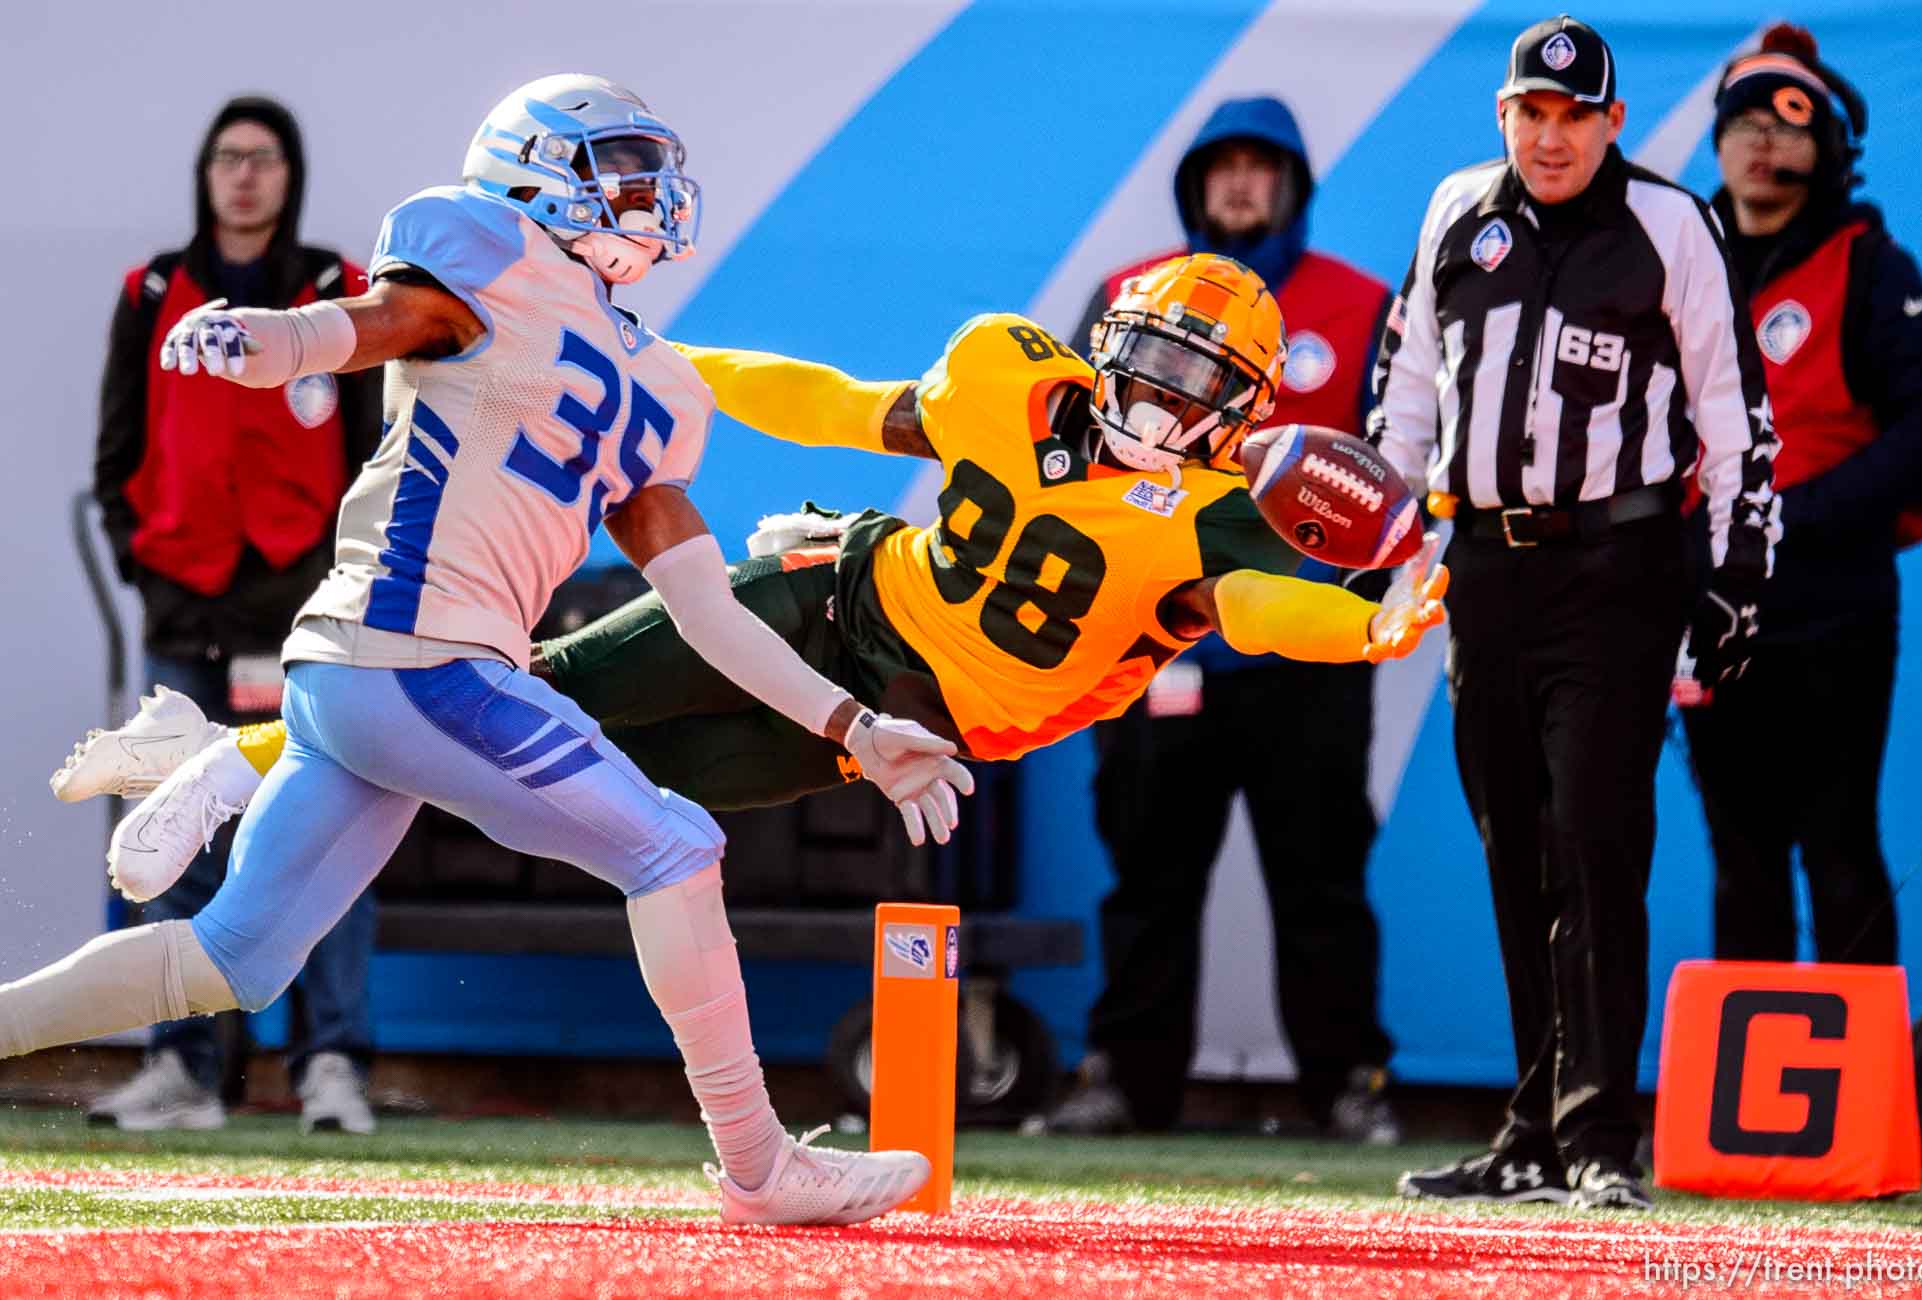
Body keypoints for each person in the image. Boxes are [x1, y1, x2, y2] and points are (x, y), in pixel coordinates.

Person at [14, 73, 976, 1228]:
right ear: (534, 168)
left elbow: (708, 611)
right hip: (422, 657)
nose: (646, 189)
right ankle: (762, 1166)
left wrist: (854, 727)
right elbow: (371, 326)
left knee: (234, 958)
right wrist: (268, 341)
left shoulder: (660, 382)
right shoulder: (490, 251)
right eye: (618, 163)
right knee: (675, 847)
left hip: (365, 671)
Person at [60, 254, 1451, 913]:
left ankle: (235, 759)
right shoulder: (1007, 378)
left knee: (600, 798)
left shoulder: (1218, 517)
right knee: (530, 700)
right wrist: (662, 372)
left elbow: (1269, 613)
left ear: (1243, 407)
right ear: (1105, 342)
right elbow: (842, 404)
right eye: (1149, 357)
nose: (1159, 393)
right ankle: (235, 759)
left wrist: (1371, 628)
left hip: (903, 728)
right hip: (830, 599)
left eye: (1197, 381)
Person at [1370, 16, 1780, 1211]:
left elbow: (1736, 414)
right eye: (1529, 115)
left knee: (1594, 843)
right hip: (1483, 570)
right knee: (1514, 851)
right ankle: (1531, 1136)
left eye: (1574, 117)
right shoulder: (1456, 211)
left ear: (1612, 122)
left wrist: (1735, 576)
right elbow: (1404, 392)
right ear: (1504, 117)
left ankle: (1602, 1136)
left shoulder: (1671, 224)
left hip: (1620, 567)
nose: (1550, 138)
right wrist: (1385, 543)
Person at [1043, 95, 1401, 1142]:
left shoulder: (1362, 304)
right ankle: (1126, 1082)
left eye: (1262, 166)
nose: (1241, 183)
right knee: (1147, 876)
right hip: (1159, 649)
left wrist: (1352, 613)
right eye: (1223, 166)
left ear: (1292, 186)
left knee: (1323, 877)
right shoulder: (1124, 298)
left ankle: (1349, 1086)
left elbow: (1397, 481)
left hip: (1304, 655)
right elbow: (1067, 465)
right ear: (1195, 183)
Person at [64, 96, 384, 1135]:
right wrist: (143, 563)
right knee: (167, 835)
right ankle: (183, 1068)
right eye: (227, 158)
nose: (245, 175)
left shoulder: (336, 289)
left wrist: (343, 581)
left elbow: (373, 452)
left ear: (290, 176)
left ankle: (331, 1062)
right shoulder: (153, 290)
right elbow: (116, 455)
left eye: (264, 158)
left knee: (322, 831)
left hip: (305, 615)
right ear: (206, 174)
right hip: (182, 603)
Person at [1678, 24, 1922, 966]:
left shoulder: (1872, 268)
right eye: (1742, 121)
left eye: (1785, 123)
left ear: (1826, 147)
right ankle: (1747, 1108)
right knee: (1737, 857)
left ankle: (1858, 1103)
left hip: (1834, 606)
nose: (1761, 141)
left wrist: (1794, 519)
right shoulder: (1678, 267)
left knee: (1839, 848)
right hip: (1708, 612)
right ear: (1717, 143)